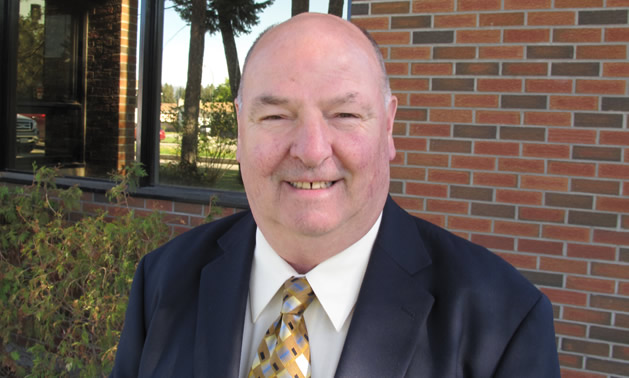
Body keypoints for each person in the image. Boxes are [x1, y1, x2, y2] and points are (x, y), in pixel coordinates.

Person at [111, 13, 560, 377]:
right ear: (240, 128)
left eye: (344, 114)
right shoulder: (163, 279)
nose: (310, 151)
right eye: (275, 117)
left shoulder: (504, 324)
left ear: (387, 126)